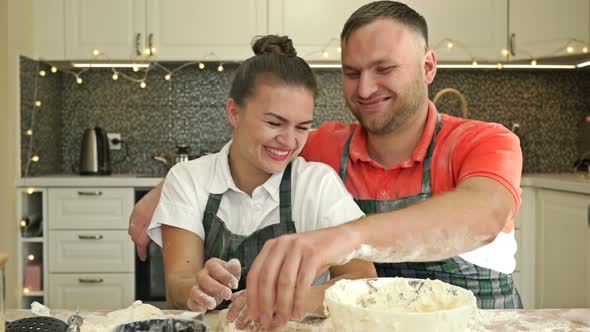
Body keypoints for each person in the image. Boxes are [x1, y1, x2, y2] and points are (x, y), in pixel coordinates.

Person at [130, 1, 523, 328]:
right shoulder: (325, 146)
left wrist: (347, 237)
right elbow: (249, 150)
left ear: (427, 67)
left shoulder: (485, 141)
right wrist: (166, 191)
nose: (365, 89)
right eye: (352, 73)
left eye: (384, 69)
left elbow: (483, 213)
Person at [142, 34, 376, 329]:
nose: (289, 140)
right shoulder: (188, 179)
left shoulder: (317, 184)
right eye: (274, 123)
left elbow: (363, 280)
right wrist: (198, 288)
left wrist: (291, 302)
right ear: (234, 113)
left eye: (302, 127)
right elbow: (178, 284)